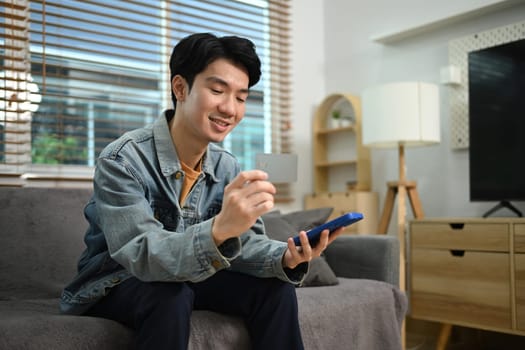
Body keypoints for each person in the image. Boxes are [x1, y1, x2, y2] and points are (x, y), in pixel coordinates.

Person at [60, 32, 343, 350]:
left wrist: (285, 256)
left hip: (189, 276)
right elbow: (141, 252)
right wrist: (219, 229)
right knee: (169, 293)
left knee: (275, 289)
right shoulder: (122, 159)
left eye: (240, 97)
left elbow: (245, 244)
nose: (230, 108)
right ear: (180, 88)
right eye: (218, 90)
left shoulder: (227, 167)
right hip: (116, 282)